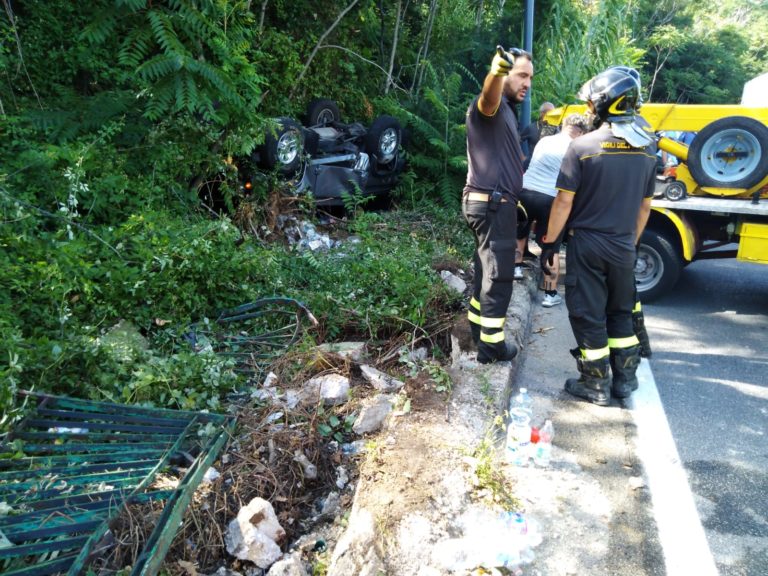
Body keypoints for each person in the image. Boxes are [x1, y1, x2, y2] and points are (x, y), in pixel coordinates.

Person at [538, 66, 657, 405]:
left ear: (606, 104)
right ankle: (623, 381)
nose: (589, 109)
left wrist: (550, 244)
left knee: (588, 313)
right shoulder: (649, 151)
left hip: (587, 244)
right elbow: (644, 208)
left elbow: (563, 201)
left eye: (592, 103)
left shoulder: (582, 148)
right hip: (623, 244)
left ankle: (595, 385)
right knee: (620, 311)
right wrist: (629, 244)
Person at [463, 46, 533, 364]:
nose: (526, 82)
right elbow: (488, 96)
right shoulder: (490, 105)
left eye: (530, 77)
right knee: (500, 275)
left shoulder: (506, 111)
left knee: (485, 271)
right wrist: (496, 72)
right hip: (493, 205)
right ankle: (491, 346)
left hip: (490, 203)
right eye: (521, 74)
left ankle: (478, 330)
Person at [516, 113, 590, 307]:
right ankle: (550, 294)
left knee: (520, 231)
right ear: (580, 131)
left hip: (525, 192)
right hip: (550, 199)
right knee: (551, 246)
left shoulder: (545, 140)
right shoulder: (576, 147)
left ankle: (515, 268)